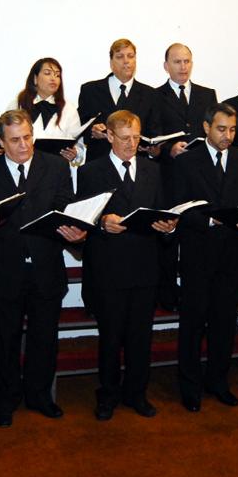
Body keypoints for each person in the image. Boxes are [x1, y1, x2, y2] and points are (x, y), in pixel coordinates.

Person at [0, 110, 86, 425]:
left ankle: (40, 396)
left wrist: (77, 233)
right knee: (5, 339)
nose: (23, 145)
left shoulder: (56, 166)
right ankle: (5, 401)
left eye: (27, 137)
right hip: (4, 269)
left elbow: (65, 208)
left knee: (44, 337)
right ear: (0, 142)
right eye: (14, 140)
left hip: (46, 267)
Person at [77, 110, 177, 420]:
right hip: (109, 268)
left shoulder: (152, 170)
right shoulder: (90, 171)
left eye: (136, 137)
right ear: (109, 136)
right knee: (110, 337)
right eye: (124, 138)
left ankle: (137, 393)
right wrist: (101, 223)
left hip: (145, 267)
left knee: (140, 337)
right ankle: (107, 395)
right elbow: (81, 219)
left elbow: (162, 212)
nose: (131, 144)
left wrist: (168, 227)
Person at [172, 103, 238, 411]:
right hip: (198, 254)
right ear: (206, 128)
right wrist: (208, 220)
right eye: (221, 129)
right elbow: (178, 206)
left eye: (232, 130)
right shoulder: (186, 161)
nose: (227, 136)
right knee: (192, 325)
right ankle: (189, 387)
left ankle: (219, 381)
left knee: (224, 324)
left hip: (232, 255)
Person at [153, 43, 218, 311]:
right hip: (169, 176)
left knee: (198, 236)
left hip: (200, 177)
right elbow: (152, 134)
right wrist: (170, 148)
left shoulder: (207, 94)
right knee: (169, 234)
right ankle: (169, 295)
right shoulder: (155, 96)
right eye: (177, 62)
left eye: (187, 61)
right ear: (166, 66)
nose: (183, 67)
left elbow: (212, 132)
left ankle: (198, 293)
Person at [78, 39, 159, 161]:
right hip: (99, 164)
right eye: (120, 57)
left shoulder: (150, 94)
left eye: (130, 56)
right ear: (111, 62)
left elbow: (155, 133)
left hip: (136, 165)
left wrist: (151, 149)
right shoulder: (90, 90)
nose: (126, 61)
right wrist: (92, 131)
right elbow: (80, 126)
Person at [8, 57, 83, 163]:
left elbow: (79, 145)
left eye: (57, 75)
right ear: (35, 78)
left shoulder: (68, 108)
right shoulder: (18, 104)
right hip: (23, 165)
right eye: (47, 73)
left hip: (57, 167)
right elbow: (7, 136)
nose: (53, 78)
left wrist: (75, 153)